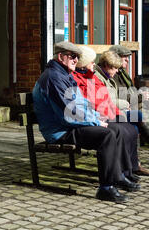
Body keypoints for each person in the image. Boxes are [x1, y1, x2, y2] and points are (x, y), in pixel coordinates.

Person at [32, 41, 139, 203]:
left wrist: (96, 118)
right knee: (107, 135)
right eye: (72, 56)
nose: (76, 60)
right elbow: (69, 113)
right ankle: (106, 188)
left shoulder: (64, 74)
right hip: (60, 131)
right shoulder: (53, 78)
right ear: (61, 57)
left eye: (77, 57)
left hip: (71, 125)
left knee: (117, 129)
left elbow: (81, 104)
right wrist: (96, 122)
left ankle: (117, 176)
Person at [73, 46, 149, 176]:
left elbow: (110, 98)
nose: (118, 70)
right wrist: (128, 103)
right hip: (104, 114)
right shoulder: (96, 76)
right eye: (115, 67)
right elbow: (104, 100)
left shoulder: (107, 75)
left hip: (117, 109)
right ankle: (146, 155)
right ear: (106, 64)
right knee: (137, 119)